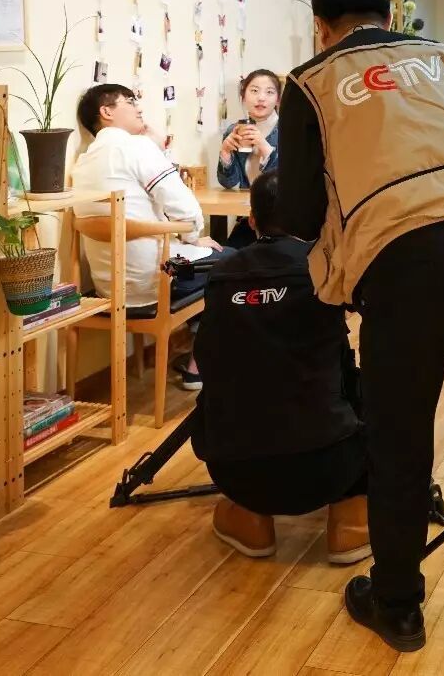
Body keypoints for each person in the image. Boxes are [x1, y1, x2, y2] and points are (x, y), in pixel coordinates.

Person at [278, 0, 444, 658]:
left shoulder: (311, 80)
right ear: (390, 16)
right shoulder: (441, 56)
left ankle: (397, 606)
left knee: (400, 442)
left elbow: (298, 213)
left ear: (321, 28)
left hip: (406, 256)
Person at [190, 171, 370, 565]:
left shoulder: (221, 276)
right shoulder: (324, 270)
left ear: (252, 221)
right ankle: (350, 522)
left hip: (235, 471)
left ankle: (252, 520)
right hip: (330, 466)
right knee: (371, 387)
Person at [73, 84, 228, 390]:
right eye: (130, 101)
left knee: (212, 264)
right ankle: (199, 365)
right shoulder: (136, 147)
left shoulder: (83, 161)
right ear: (106, 112)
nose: (139, 107)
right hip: (159, 279)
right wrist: (193, 238)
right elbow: (186, 209)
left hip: (108, 286)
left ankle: (198, 350)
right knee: (232, 263)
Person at [218, 69, 282, 248]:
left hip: (284, 221)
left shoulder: (289, 129)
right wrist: (225, 152)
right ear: (243, 97)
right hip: (249, 219)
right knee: (226, 254)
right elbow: (228, 183)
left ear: (277, 99)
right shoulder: (235, 130)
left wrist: (265, 148)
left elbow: (287, 182)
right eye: (254, 91)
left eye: (269, 92)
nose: (261, 98)